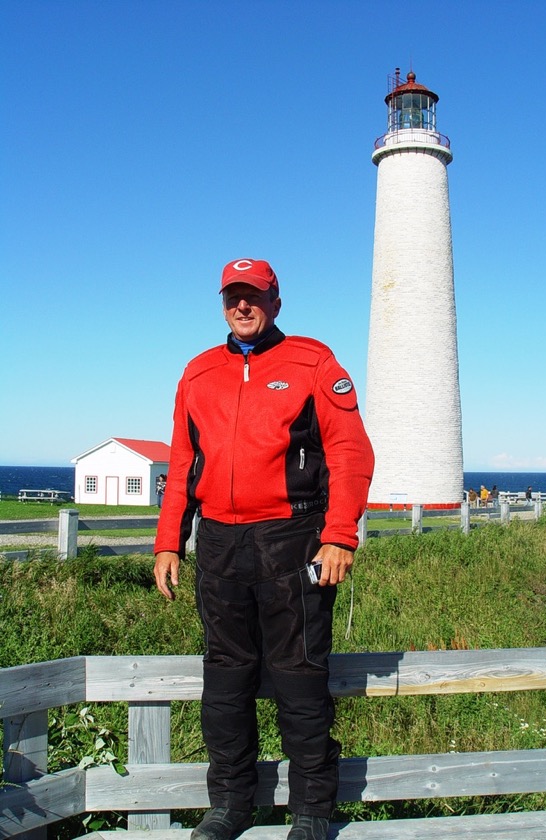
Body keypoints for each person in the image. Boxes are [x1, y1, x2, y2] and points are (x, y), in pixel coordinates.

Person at [153, 258, 374, 840]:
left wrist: (339, 536)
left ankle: (311, 813)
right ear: (223, 304)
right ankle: (230, 805)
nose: (242, 307)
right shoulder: (198, 374)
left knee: (300, 678)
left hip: (292, 540)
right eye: (232, 298)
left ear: (276, 302)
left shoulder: (312, 362)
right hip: (220, 544)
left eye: (254, 297)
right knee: (225, 681)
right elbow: (180, 466)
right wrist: (168, 543)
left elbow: (350, 454)